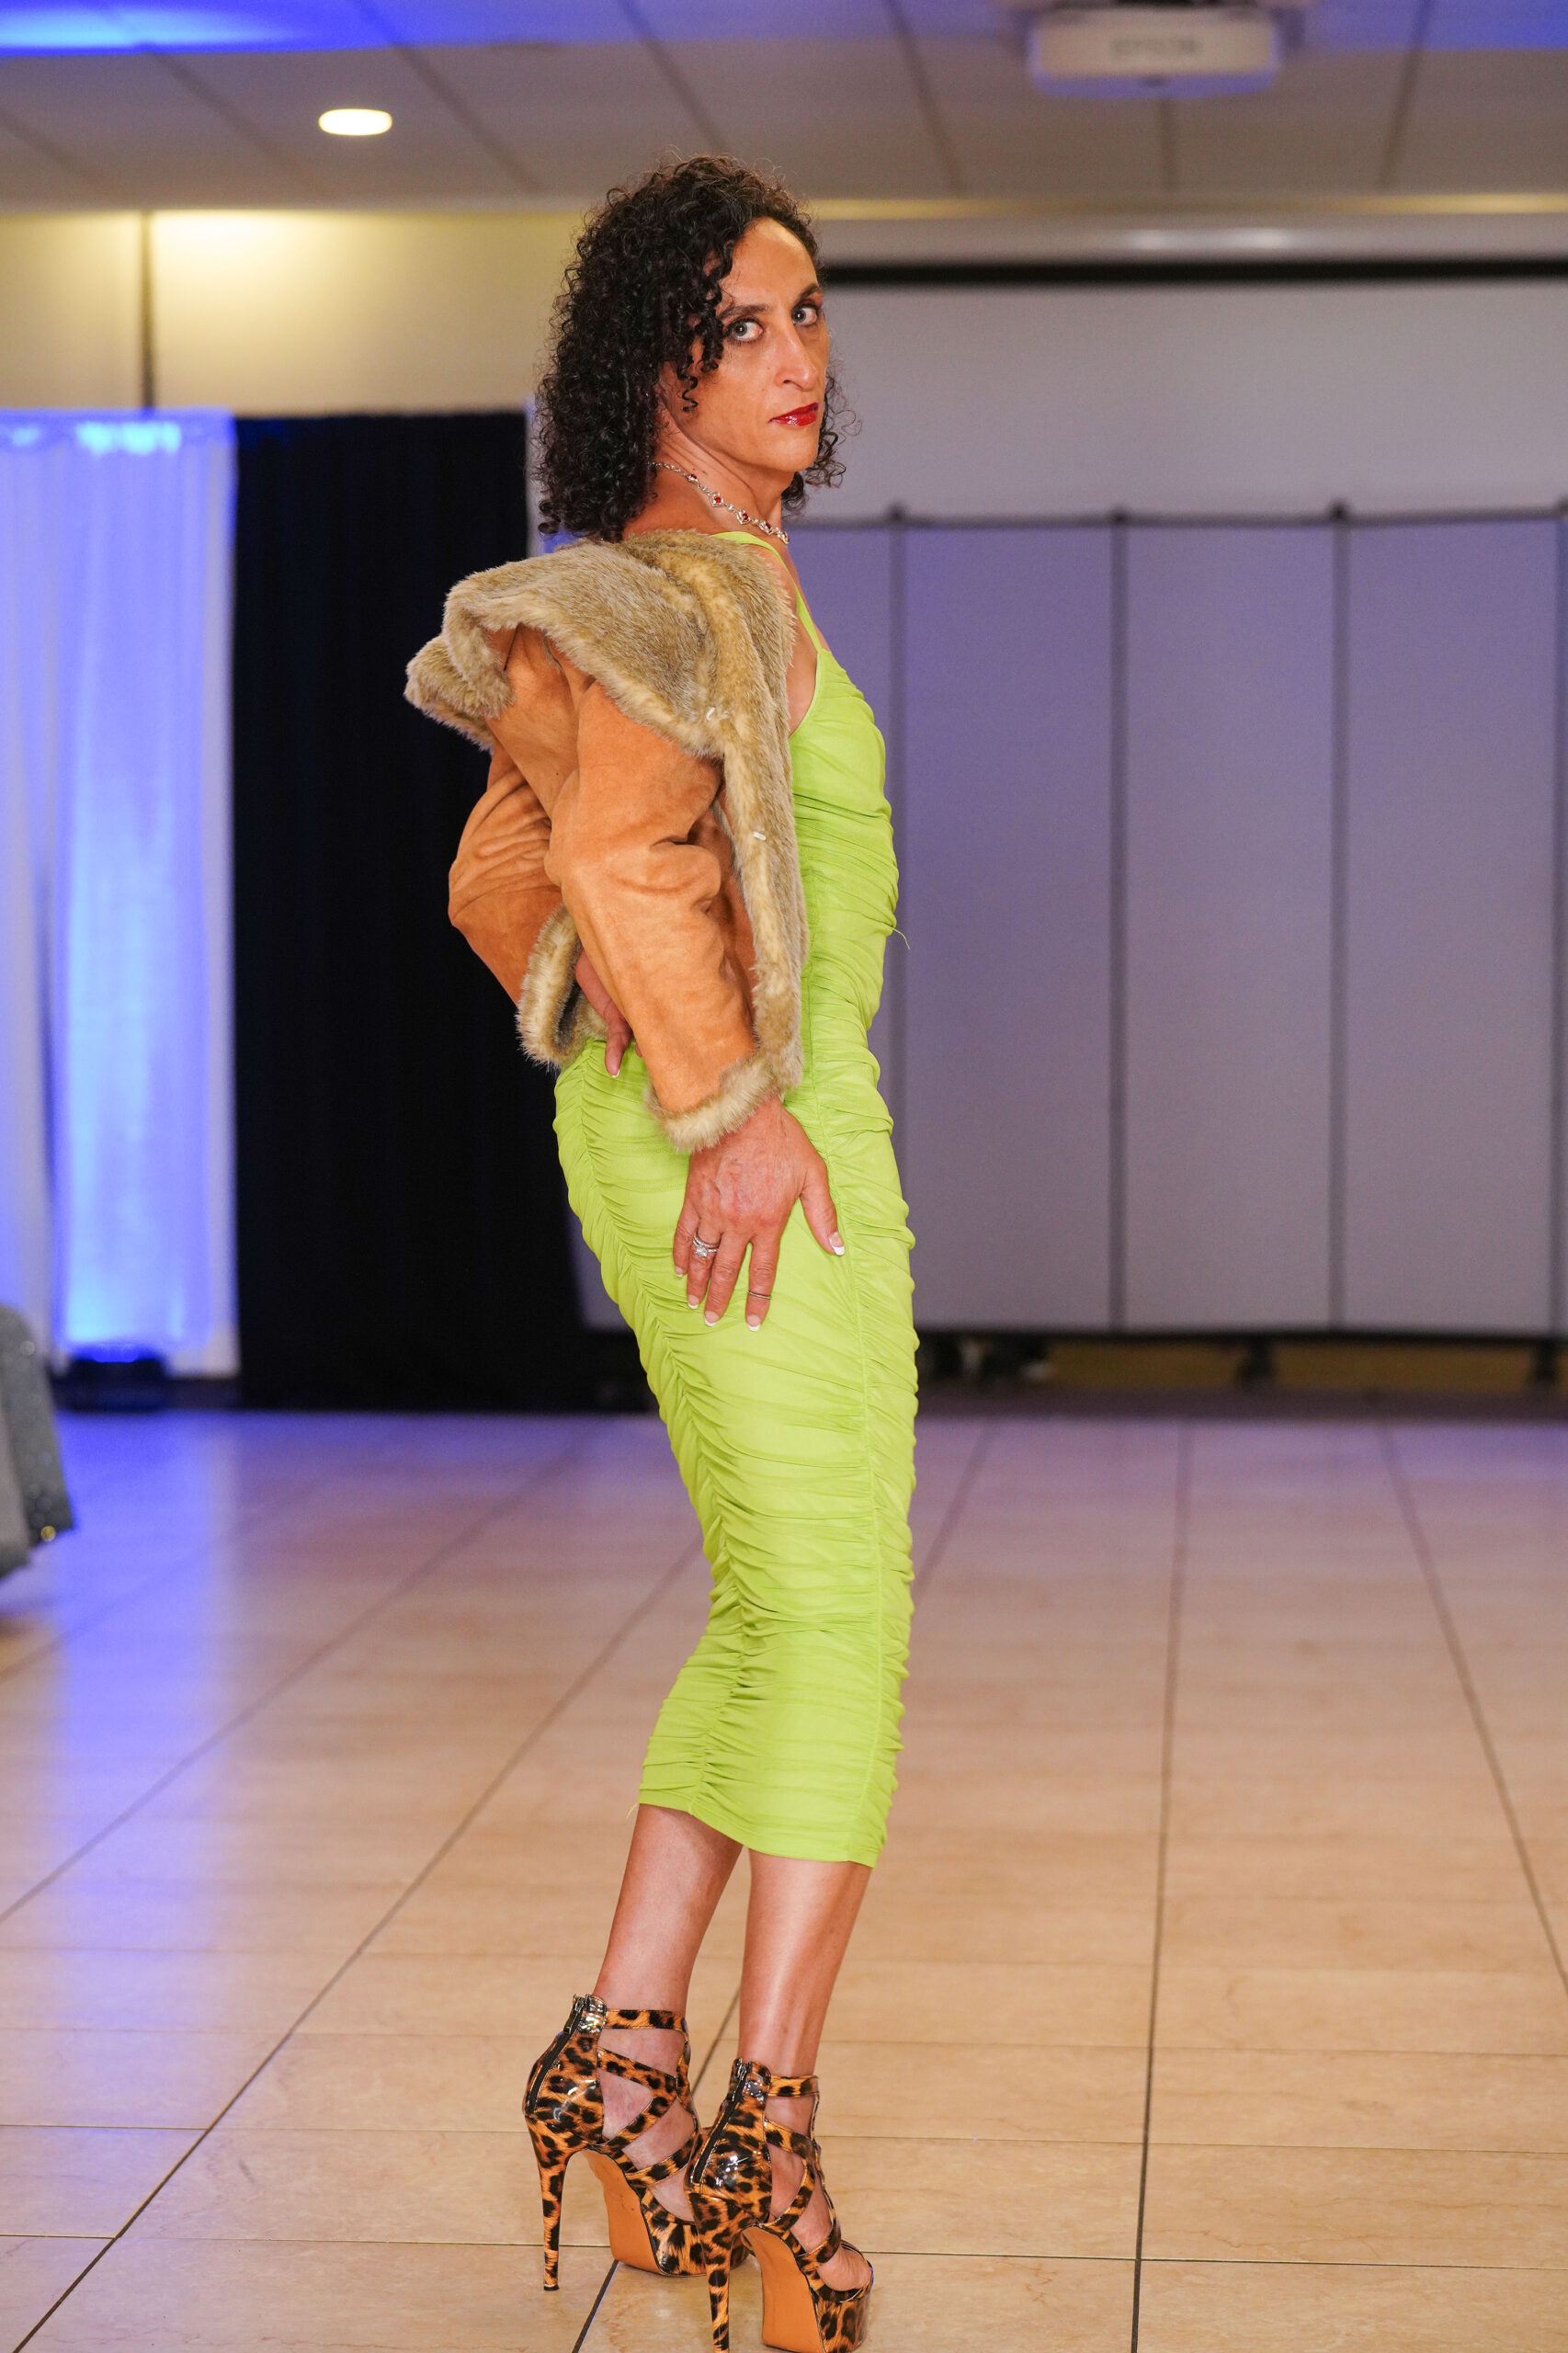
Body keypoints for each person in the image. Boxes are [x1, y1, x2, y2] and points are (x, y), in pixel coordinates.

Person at [407, 155, 915, 2353]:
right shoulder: (651, 590)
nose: (797, 357)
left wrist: (696, 1069)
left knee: (786, 1605)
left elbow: (494, 874)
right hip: (746, 1144)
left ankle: (624, 2055)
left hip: (802, 1125)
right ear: (656, 363)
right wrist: (706, 1100)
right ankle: (762, 2134)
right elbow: (607, 863)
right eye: (746, 324)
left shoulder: (731, 575)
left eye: (809, 315)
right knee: (839, 1621)